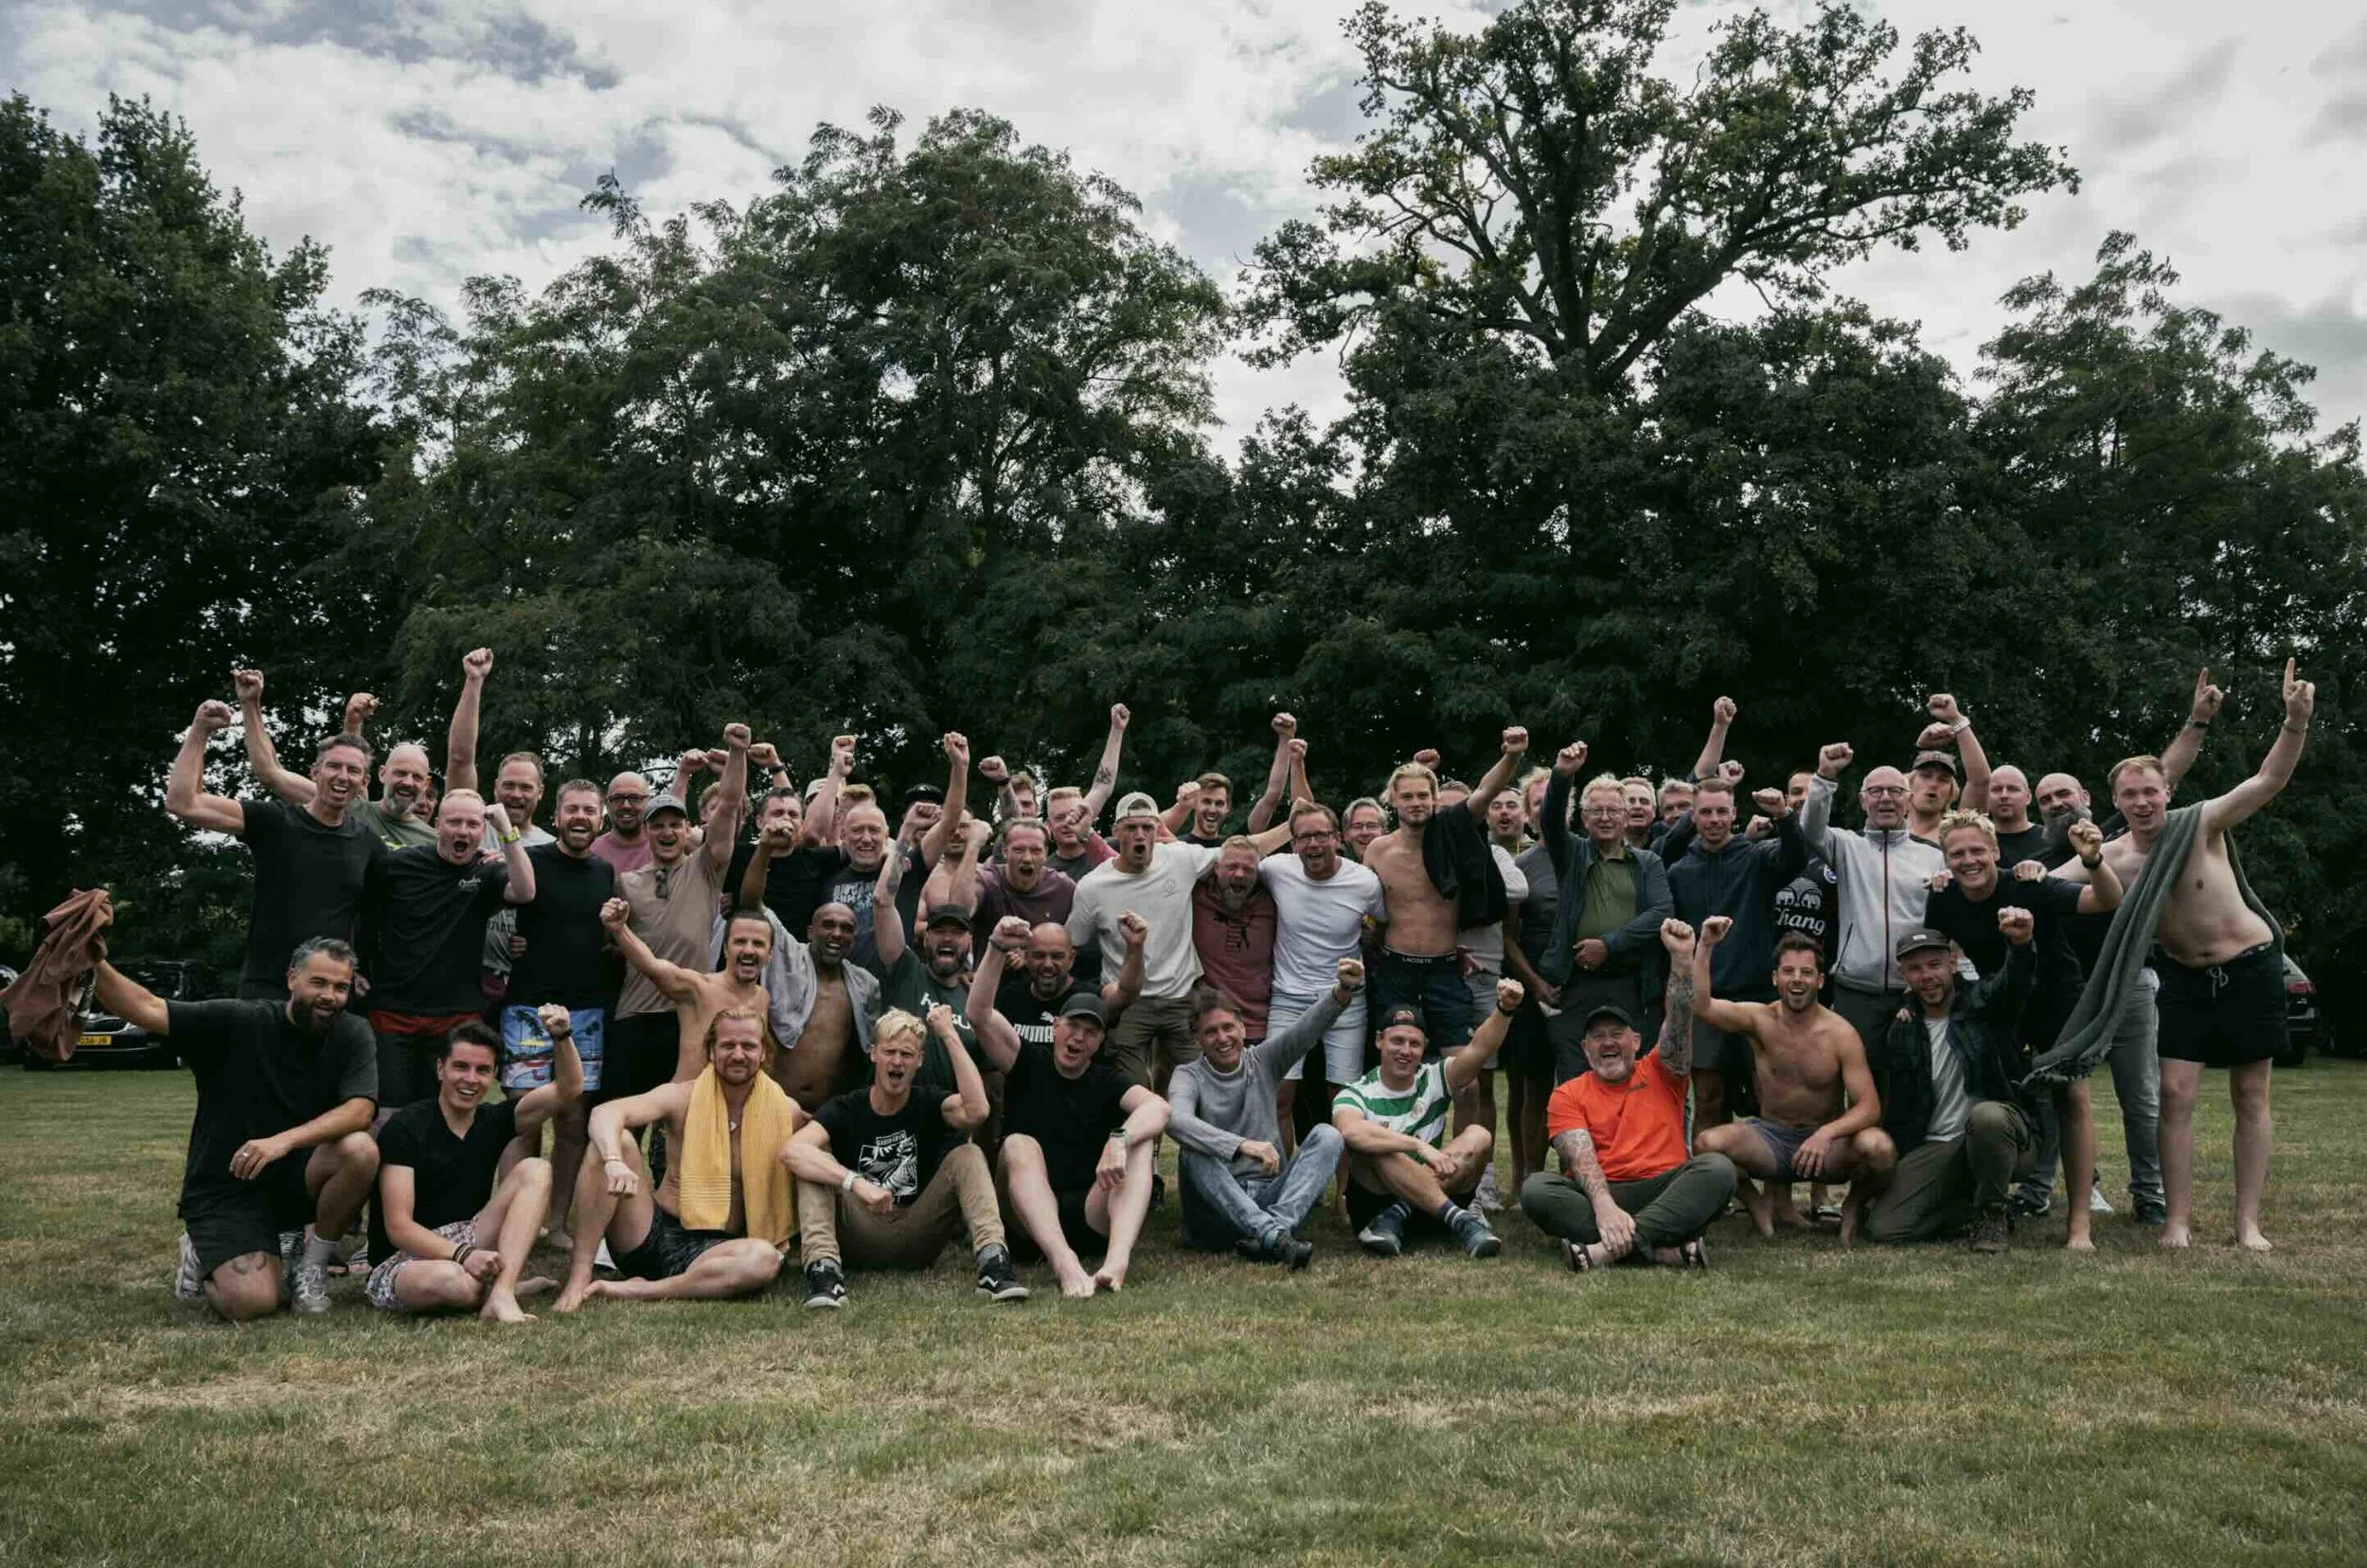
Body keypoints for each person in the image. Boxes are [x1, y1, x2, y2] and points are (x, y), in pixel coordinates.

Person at [2046, 661, 2314, 1251]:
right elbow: (2043, 885)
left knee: (2251, 1095)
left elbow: (2266, 782)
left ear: (2167, 792)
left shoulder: (2200, 824)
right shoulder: (2111, 855)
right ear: (2113, 802)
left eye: (2151, 791)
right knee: (2174, 1096)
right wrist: (2012, 871)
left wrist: (2294, 724)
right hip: (2185, 979)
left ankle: (2248, 1224)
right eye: (2130, 795)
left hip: (2250, 966)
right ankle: (2177, 1222)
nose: (2142, 802)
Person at [92, 933, 379, 1320]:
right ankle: (200, 1251)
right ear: (292, 978)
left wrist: (282, 1142)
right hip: (229, 1188)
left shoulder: (353, 1032)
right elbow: (146, 1008)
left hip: (295, 1181)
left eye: (340, 987)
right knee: (252, 1302)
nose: (330, 995)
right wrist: (92, 960)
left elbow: (360, 1110)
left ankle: (312, 1266)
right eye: (319, 982)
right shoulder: (239, 1020)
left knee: (361, 1149)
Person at [1924, 810, 2122, 1250]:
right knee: (1998, 1101)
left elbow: (2107, 900)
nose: (1969, 860)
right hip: (2004, 1006)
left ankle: (2079, 1226)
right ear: (1945, 860)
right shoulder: (1944, 898)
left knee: (2070, 1098)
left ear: (1996, 851)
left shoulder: (2029, 884)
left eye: (1978, 850)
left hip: (2057, 1002)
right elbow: (1934, 961)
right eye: (1957, 854)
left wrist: (2093, 861)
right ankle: (1987, 1202)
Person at [1521, 920, 1737, 1271]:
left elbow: (1680, 1019)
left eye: (1617, 1033)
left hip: (1666, 1186)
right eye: (1598, 1036)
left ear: (1636, 1042)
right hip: (1602, 1193)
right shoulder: (1567, 1094)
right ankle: (1665, 1248)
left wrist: (1683, 959)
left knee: (1718, 1170)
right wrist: (1605, 1206)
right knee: (1536, 1189)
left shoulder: (1662, 1070)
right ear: (1585, 1048)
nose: (1608, 1042)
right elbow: (1580, 1159)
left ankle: (1605, 1251)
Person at [553, 1008, 796, 1310]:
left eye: (748, 1046)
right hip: (648, 1233)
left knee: (763, 1260)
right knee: (618, 1140)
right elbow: (606, 1113)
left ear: (763, 1054)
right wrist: (614, 1160)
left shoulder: (786, 1112)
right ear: (711, 1050)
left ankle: (644, 1290)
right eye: (727, 1045)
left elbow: (821, 1147)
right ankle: (579, 1278)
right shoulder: (682, 1097)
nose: (737, 1055)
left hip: (714, 1251)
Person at [786, 1006, 1027, 1309]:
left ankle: (994, 1265)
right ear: (874, 1054)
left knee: (968, 1154)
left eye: (907, 1054)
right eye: (890, 1052)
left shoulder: (930, 1102)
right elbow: (792, 1151)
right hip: (859, 1232)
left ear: (919, 1061)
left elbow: (977, 1110)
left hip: (917, 1233)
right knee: (813, 1163)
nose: (897, 1061)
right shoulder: (847, 1108)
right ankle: (824, 1273)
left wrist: (949, 1034)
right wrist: (855, 1182)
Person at [367, 1009, 582, 1323]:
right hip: (404, 1260)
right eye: (460, 1067)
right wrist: (463, 1256)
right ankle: (491, 1286)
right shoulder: (405, 1127)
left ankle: (503, 1292)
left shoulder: (493, 1120)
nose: (470, 1079)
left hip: (468, 1236)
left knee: (536, 1169)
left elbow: (570, 1089)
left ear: (493, 1075)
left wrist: (562, 1037)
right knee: (456, 1284)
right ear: (441, 1069)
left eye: (482, 1070)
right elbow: (399, 1227)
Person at [166, 698, 380, 1001]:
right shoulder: (275, 821)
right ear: (315, 772)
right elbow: (182, 802)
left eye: (353, 770)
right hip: (265, 992)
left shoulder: (369, 843)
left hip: (330, 1000)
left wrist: (361, 969)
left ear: (364, 782)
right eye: (334, 766)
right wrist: (200, 730)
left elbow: (384, 911)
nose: (343, 776)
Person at [1689, 922, 1891, 1238]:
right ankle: (1755, 1203)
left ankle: (1854, 1202)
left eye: (1807, 973)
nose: (1797, 980)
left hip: (1827, 1148)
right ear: (1775, 978)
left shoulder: (1841, 1034)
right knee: (1706, 1144)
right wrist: (1705, 946)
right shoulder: (1759, 1019)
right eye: (1789, 971)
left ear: (1820, 981)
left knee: (1879, 1148)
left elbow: (1869, 1107)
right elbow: (1702, 1006)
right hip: (1771, 1140)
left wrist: (1826, 1134)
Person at [1859, 916, 2041, 1251]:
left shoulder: (1986, 1002)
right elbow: (1897, 1107)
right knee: (1883, 1229)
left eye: (1934, 965)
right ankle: (1969, 1211)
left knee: (1986, 1117)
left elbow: (2014, 982)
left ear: (1953, 963)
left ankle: (1993, 1215)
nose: (1926, 976)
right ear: (1904, 976)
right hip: (1937, 1146)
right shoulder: (1902, 1027)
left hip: (2004, 1135)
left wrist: (2021, 945)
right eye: (1914, 969)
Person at [970, 989, 1167, 1297]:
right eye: (1073, 1027)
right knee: (1018, 1144)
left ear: (1100, 1042)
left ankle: (1116, 1262)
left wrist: (1121, 1139)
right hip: (1028, 1225)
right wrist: (997, 947)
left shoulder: (1108, 1080)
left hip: (1089, 1215)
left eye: (1090, 1033)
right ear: (1056, 1027)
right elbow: (978, 1014)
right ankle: (1064, 1262)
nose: (1079, 1038)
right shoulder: (1027, 1062)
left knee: (1139, 1143)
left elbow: (1159, 1108)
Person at [1168, 958, 1363, 1268]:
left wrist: (1342, 990)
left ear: (1243, 1028)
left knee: (1328, 1135)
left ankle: (1272, 1232)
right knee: (1192, 1153)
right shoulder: (1187, 1075)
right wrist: (1241, 1145)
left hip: (1269, 1195)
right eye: (1211, 1032)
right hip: (1214, 1213)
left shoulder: (1264, 1060)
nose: (1222, 1038)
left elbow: (1306, 1029)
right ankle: (1274, 1235)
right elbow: (1176, 1120)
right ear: (1197, 1040)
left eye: (1228, 1028)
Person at [358, 789, 536, 1127]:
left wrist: (507, 832)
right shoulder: (398, 865)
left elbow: (526, 891)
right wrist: (357, 966)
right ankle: (385, 1181)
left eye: (472, 824)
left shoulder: (486, 872)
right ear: (438, 824)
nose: (463, 831)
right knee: (386, 1117)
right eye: (454, 822)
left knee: (443, 1115)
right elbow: (361, 913)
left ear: (482, 831)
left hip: (455, 1014)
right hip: (393, 1010)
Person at [1359, 730, 1526, 1074]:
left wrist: (1512, 755)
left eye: (1423, 795)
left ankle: (1468, 1132)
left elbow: (1484, 792)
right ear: (1393, 799)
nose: (1416, 802)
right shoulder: (1378, 850)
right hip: (1395, 968)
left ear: (1435, 799)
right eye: (1407, 796)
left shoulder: (1452, 836)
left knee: (1461, 1073)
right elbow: (1365, 911)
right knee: (1394, 1067)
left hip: (1445, 969)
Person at [495, 778, 617, 1242]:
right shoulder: (531, 860)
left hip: (586, 1012)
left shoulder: (606, 872)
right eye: (573, 810)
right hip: (526, 1006)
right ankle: (512, 1216)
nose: (581, 818)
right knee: (522, 1118)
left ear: (599, 818)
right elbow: (491, 906)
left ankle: (558, 1222)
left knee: (572, 1121)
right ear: (558, 814)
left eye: (590, 810)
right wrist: (506, 941)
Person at [607, 725, 753, 1110]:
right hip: (634, 1013)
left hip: (689, 1014)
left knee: (683, 1122)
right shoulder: (625, 882)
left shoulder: (706, 868)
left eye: (675, 823)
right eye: (658, 825)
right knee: (626, 1115)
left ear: (688, 829)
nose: (667, 831)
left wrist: (737, 753)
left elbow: (729, 806)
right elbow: (612, 946)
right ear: (646, 831)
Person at [1657, 775, 1809, 1131]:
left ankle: (1773, 1180)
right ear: (1692, 817)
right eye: (1706, 812)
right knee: (1710, 1098)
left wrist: (1783, 816)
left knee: (1767, 1095)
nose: (1714, 820)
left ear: (1734, 814)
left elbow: (1797, 858)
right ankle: (1712, 1181)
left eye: (1721, 812)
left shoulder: (1757, 857)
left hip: (1756, 996)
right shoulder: (1678, 872)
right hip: (1705, 999)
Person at [1331, 979, 1522, 1259]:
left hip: (1426, 1203)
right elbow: (1351, 1132)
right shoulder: (1356, 1092)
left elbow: (1479, 1049)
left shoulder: (1434, 1077)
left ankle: (1402, 1213)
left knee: (1479, 1134)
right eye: (1397, 1041)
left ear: (1424, 1048)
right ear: (1378, 1040)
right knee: (1379, 1146)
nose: (1405, 1051)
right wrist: (1417, 1146)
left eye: (1414, 1044)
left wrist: (1504, 1010)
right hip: (1374, 1208)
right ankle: (1463, 1221)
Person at [232, 659, 481, 851]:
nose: (407, 781)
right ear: (382, 774)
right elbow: (270, 773)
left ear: (425, 784)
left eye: (416, 777)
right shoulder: (351, 807)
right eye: (400, 773)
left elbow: (461, 760)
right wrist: (250, 703)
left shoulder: (435, 842)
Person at [1799, 740, 1947, 1056]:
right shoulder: (1846, 846)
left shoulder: (1933, 856)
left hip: (1914, 988)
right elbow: (1810, 829)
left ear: (1908, 801)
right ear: (1862, 801)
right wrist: (1825, 775)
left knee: (1912, 1081)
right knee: (1859, 1078)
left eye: (1895, 792)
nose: (1885, 799)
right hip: (1856, 990)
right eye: (1875, 792)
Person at [1067, 792, 1224, 1087]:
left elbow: (1240, 853)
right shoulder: (1092, 887)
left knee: (1207, 1084)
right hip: (1127, 1003)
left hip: (1179, 998)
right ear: (1116, 833)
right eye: (1131, 828)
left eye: (1148, 827)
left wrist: (1288, 829)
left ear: (1157, 831)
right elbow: (1071, 945)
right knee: (1132, 1089)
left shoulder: (1181, 857)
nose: (1140, 835)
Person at [1536, 747, 1672, 1082]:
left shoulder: (1647, 863)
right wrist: (1563, 774)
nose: (1605, 817)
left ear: (1626, 818)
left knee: (1634, 1076)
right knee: (1575, 1074)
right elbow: (1550, 819)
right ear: (1583, 819)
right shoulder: (1571, 853)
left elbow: (1661, 912)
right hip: (1579, 983)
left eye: (1613, 810)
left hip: (1632, 983)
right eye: (1596, 810)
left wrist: (1609, 945)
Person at [1262, 801, 1388, 1149]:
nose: (1313, 844)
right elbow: (1233, 859)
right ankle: (1283, 1186)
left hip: (1346, 1000)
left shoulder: (1364, 882)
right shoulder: (1275, 870)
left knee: (1344, 1101)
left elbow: (1383, 924)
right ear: (1293, 844)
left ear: (1337, 838)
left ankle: (1344, 1198)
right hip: (1289, 997)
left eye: (1321, 835)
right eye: (1304, 837)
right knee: (1279, 1095)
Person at [605, 899, 774, 1084]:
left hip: (736, 1107)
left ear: (770, 953)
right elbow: (652, 966)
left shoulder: (762, 998)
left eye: (758, 944)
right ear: (726, 949)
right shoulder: (698, 988)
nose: (749, 950)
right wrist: (620, 930)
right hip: (687, 1105)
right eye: (740, 942)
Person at [1190, 836, 1277, 1050]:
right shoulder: (1194, 894)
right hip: (1209, 1025)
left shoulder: (1273, 900)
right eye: (1232, 867)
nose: (1239, 874)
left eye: (1248, 869)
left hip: (1260, 1024)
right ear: (1216, 868)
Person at [591, 771, 655, 873]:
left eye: (635, 798)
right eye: (617, 798)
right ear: (607, 804)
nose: (626, 805)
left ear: (649, 801)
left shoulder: (663, 848)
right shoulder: (591, 853)